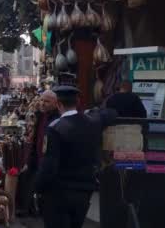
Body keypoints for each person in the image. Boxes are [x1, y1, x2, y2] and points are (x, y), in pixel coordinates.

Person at [36, 85, 116, 228]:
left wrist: (38, 188)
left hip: (59, 193)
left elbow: (49, 165)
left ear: (58, 104)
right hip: (84, 191)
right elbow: (110, 114)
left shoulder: (55, 128)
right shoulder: (92, 122)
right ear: (77, 102)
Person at [17, 90, 60, 216]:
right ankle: (28, 208)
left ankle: (41, 211)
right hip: (36, 157)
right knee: (27, 178)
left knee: (44, 186)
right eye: (41, 100)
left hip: (47, 159)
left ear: (55, 103)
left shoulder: (56, 119)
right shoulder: (40, 116)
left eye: (46, 101)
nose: (42, 103)